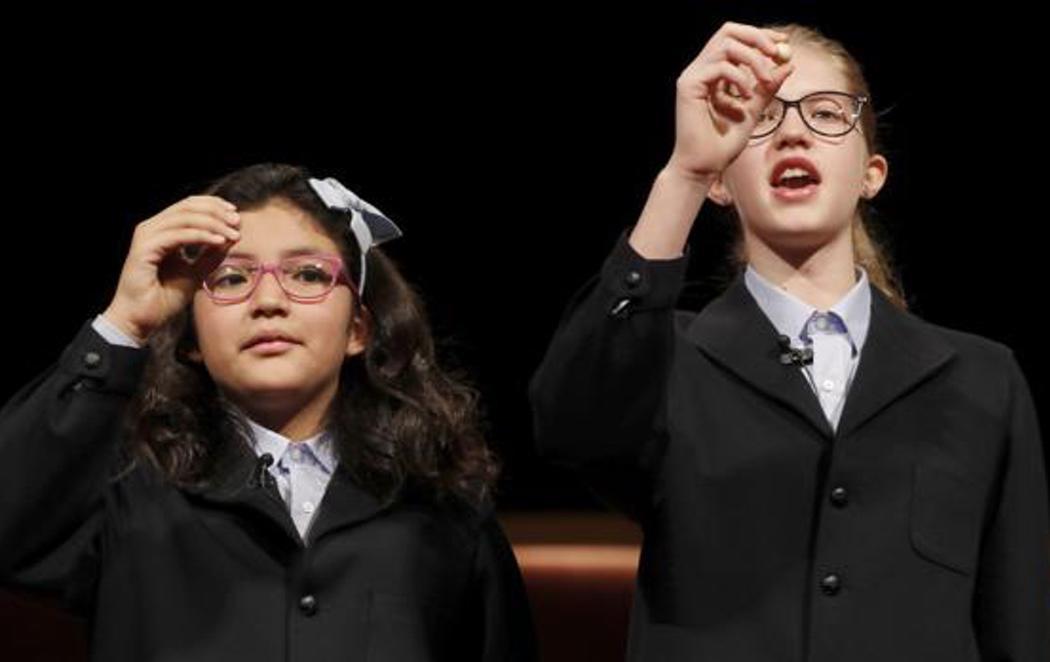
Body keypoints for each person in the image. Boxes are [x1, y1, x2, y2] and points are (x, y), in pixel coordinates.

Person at [529, 21, 1050, 662]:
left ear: (872, 173)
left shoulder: (982, 379)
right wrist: (684, 173)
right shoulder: (666, 362)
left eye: (828, 113)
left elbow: (1015, 627)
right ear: (723, 180)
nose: (794, 132)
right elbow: (568, 422)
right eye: (761, 117)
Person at [0, 162, 537, 662]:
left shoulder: (442, 508)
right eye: (232, 279)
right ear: (190, 339)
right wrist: (123, 324)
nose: (269, 300)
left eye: (307, 274)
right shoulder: (123, 494)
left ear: (358, 329)